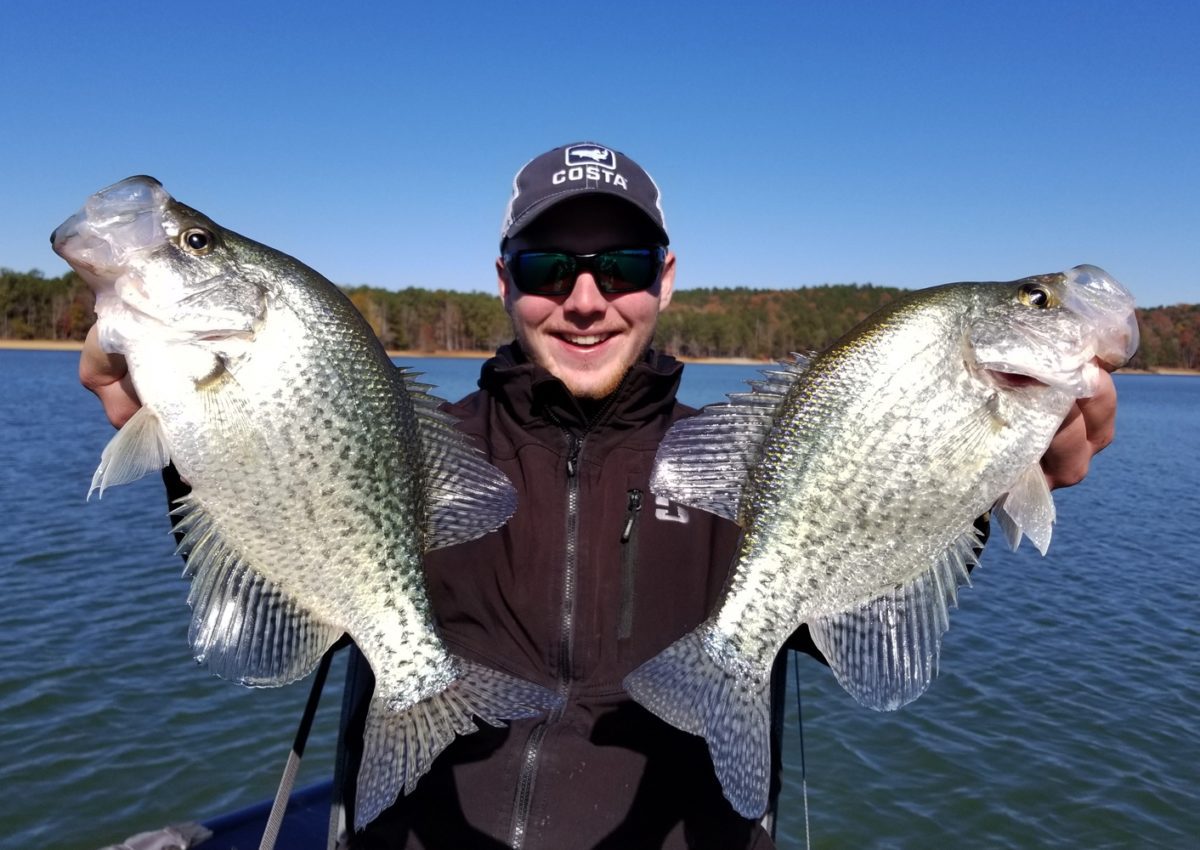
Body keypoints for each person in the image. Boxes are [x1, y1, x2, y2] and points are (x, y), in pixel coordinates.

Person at [79, 142, 1120, 849]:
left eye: (618, 264)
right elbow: (294, 576)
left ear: (664, 280)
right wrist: (186, 450)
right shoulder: (417, 445)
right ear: (505, 278)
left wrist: (976, 493)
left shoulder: (740, 463)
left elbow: (849, 609)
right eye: (549, 264)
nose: (585, 299)